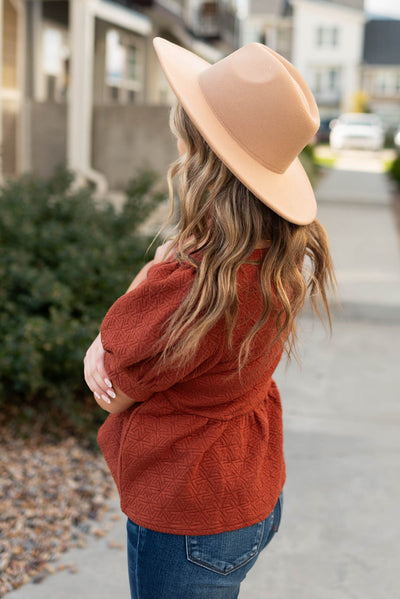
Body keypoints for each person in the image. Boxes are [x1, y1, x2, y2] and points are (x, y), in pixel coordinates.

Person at [83, 37, 336, 599]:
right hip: (246, 490)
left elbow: (116, 389)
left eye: (184, 128)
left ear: (199, 156)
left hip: (188, 512)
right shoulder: (272, 258)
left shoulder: (196, 288)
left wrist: (99, 350)